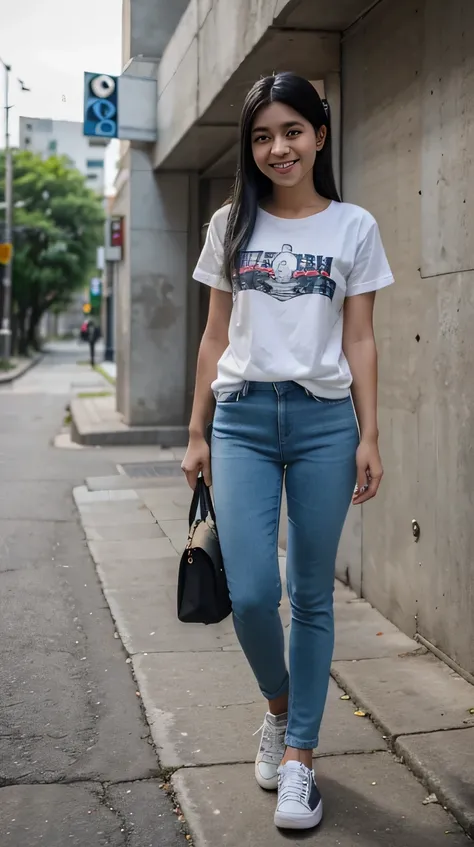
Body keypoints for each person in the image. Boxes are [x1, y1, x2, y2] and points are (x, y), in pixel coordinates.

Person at [181, 72, 393, 832]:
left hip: (324, 422)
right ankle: (279, 709)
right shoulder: (229, 222)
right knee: (250, 591)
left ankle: (300, 754)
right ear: (251, 146)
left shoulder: (353, 227)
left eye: (293, 131)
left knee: (309, 592)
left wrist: (370, 433)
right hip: (239, 417)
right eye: (263, 135)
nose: (278, 147)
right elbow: (213, 335)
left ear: (320, 136)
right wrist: (198, 429)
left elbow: (360, 337)